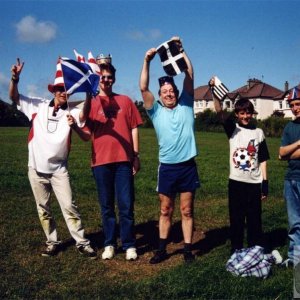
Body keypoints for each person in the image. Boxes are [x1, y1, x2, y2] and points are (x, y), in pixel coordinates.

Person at [9, 58, 96, 259]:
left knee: (69, 206)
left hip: (59, 170)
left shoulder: (73, 111)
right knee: (43, 209)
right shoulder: (37, 106)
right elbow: (14, 97)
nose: (63, 92)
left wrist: (89, 92)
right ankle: (52, 242)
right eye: (59, 89)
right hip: (36, 169)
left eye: (66, 89)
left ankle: (82, 243)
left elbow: (86, 117)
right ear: (53, 91)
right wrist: (15, 78)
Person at [139, 37, 200, 264]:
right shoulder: (155, 111)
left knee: (186, 210)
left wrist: (182, 51)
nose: (168, 94)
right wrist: (147, 60)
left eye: (171, 90)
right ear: (160, 94)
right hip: (167, 167)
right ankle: (162, 249)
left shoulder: (186, 104)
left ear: (176, 91)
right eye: (164, 91)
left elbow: (190, 74)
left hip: (187, 167)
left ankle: (186, 250)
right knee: (165, 210)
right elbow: (143, 87)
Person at [82, 62, 143, 261]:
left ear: (114, 79)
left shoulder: (125, 101)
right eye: (102, 77)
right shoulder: (91, 102)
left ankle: (129, 244)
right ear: (98, 79)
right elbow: (84, 120)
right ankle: (109, 243)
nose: (106, 80)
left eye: (109, 77)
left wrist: (136, 155)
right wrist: (86, 97)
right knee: (106, 206)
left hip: (124, 160)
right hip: (100, 161)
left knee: (126, 205)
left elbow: (134, 127)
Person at [210, 76, 269, 254]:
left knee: (254, 219)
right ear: (237, 114)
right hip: (236, 182)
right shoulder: (233, 130)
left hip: (254, 183)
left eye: (248, 113)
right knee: (236, 218)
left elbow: (263, 159)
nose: (245, 116)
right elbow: (219, 110)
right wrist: (214, 92)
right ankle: (236, 249)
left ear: (252, 114)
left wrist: (264, 184)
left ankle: (254, 248)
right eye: (242, 113)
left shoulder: (259, 133)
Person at [279, 87, 300, 268]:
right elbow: (281, 154)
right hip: (290, 179)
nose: (295, 108)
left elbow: (287, 153)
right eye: (292, 105)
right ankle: (295, 258)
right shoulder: (289, 127)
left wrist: (289, 152)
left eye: (298, 104)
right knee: (294, 222)